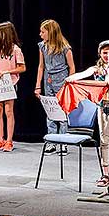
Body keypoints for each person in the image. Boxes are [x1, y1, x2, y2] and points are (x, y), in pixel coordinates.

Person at [65, 40, 109, 187]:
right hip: (103, 105)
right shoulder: (96, 69)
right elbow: (83, 74)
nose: (107, 55)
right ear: (100, 53)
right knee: (104, 140)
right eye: (105, 53)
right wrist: (71, 78)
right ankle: (106, 174)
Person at [34, 19, 75, 154]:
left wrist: (70, 84)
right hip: (48, 81)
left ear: (50, 32)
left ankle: (63, 142)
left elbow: (71, 67)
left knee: (62, 112)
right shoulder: (42, 47)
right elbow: (41, 66)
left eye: (43, 32)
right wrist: (38, 85)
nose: (40, 34)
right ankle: (51, 142)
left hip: (62, 82)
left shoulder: (65, 48)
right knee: (50, 111)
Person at [0, 21, 26, 152]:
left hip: (10, 83)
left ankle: (9, 141)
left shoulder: (16, 50)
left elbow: (22, 68)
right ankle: (0, 139)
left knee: (8, 111)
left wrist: (7, 72)